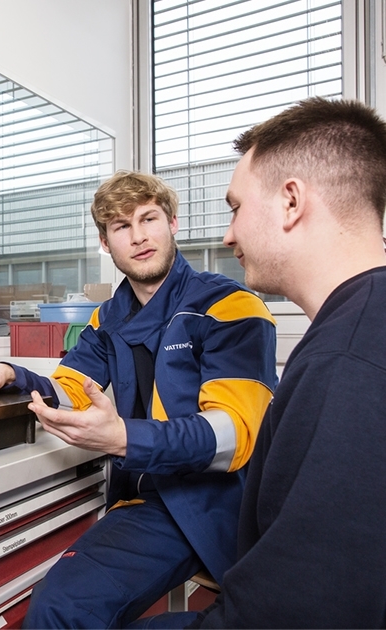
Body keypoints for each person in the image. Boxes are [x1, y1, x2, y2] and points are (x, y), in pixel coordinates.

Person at [0, 171, 278, 628]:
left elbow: (234, 437)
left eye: (148, 219)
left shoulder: (232, 306)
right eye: (121, 226)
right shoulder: (107, 316)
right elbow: (71, 387)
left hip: (222, 501)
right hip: (151, 504)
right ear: (105, 242)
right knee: (58, 612)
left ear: (172, 222)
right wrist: (13, 374)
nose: (138, 237)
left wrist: (123, 437)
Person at [167, 97, 386, 628]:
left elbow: (303, 611)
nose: (228, 234)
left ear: (291, 201)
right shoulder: (361, 323)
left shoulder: (348, 361)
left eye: (236, 207)